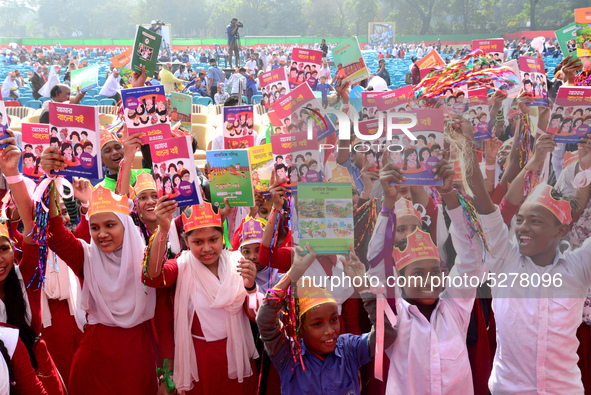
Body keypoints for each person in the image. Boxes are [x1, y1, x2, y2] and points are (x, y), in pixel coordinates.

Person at [143, 202, 259, 394]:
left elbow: (254, 315)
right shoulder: (180, 266)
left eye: (213, 239)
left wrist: (252, 287)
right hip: (199, 362)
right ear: (186, 241)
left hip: (237, 357)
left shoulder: (237, 262)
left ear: (223, 236)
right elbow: (152, 277)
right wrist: (163, 229)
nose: (207, 248)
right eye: (198, 242)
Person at [257, 240, 396, 394]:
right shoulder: (289, 356)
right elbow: (264, 320)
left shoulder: (349, 349)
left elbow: (387, 333)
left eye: (333, 319)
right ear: (300, 328)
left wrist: (363, 286)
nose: (330, 331)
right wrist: (291, 275)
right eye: (317, 324)